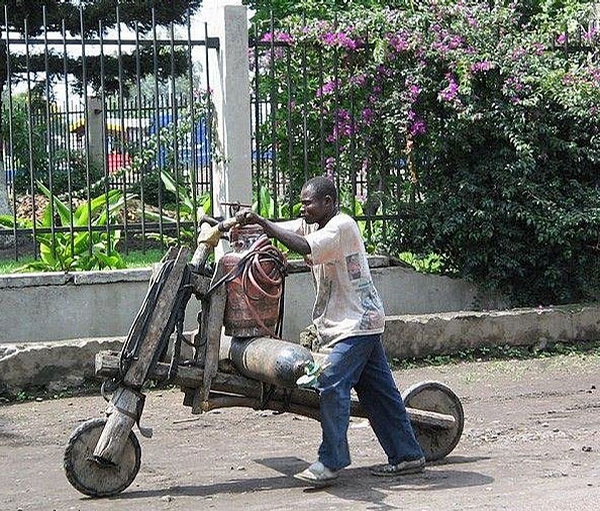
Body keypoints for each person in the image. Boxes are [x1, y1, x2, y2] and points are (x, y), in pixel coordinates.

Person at [235, 176, 425, 486]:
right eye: (302, 202)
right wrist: (234, 223)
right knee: (380, 394)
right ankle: (408, 455)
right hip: (351, 324)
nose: (303, 207)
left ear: (328, 203)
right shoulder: (314, 223)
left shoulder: (341, 226)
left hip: (357, 324)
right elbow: (286, 228)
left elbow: (302, 245)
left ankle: (331, 460)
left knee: (331, 383)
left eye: (308, 202)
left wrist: (261, 221)